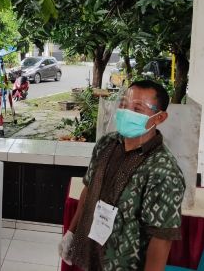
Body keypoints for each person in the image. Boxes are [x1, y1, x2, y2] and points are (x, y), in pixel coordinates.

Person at [59, 80, 186, 270]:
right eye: (124, 105)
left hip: (123, 264)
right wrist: (72, 232)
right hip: (92, 254)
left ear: (159, 118)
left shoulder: (163, 171)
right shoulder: (107, 144)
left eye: (137, 108)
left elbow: (161, 239)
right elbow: (89, 187)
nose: (127, 112)